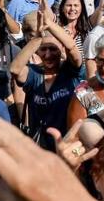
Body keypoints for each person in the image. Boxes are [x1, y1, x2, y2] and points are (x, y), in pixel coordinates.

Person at [10, 11, 84, 144]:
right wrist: (37, 39)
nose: (48, 55)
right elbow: (15, 69)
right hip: (40, 144)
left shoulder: (70, 71)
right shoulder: (34, 73)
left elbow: (72, 48)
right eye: (43, 49)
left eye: (53, 49)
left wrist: (49, 23)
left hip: (67, 141)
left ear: (61, 49)